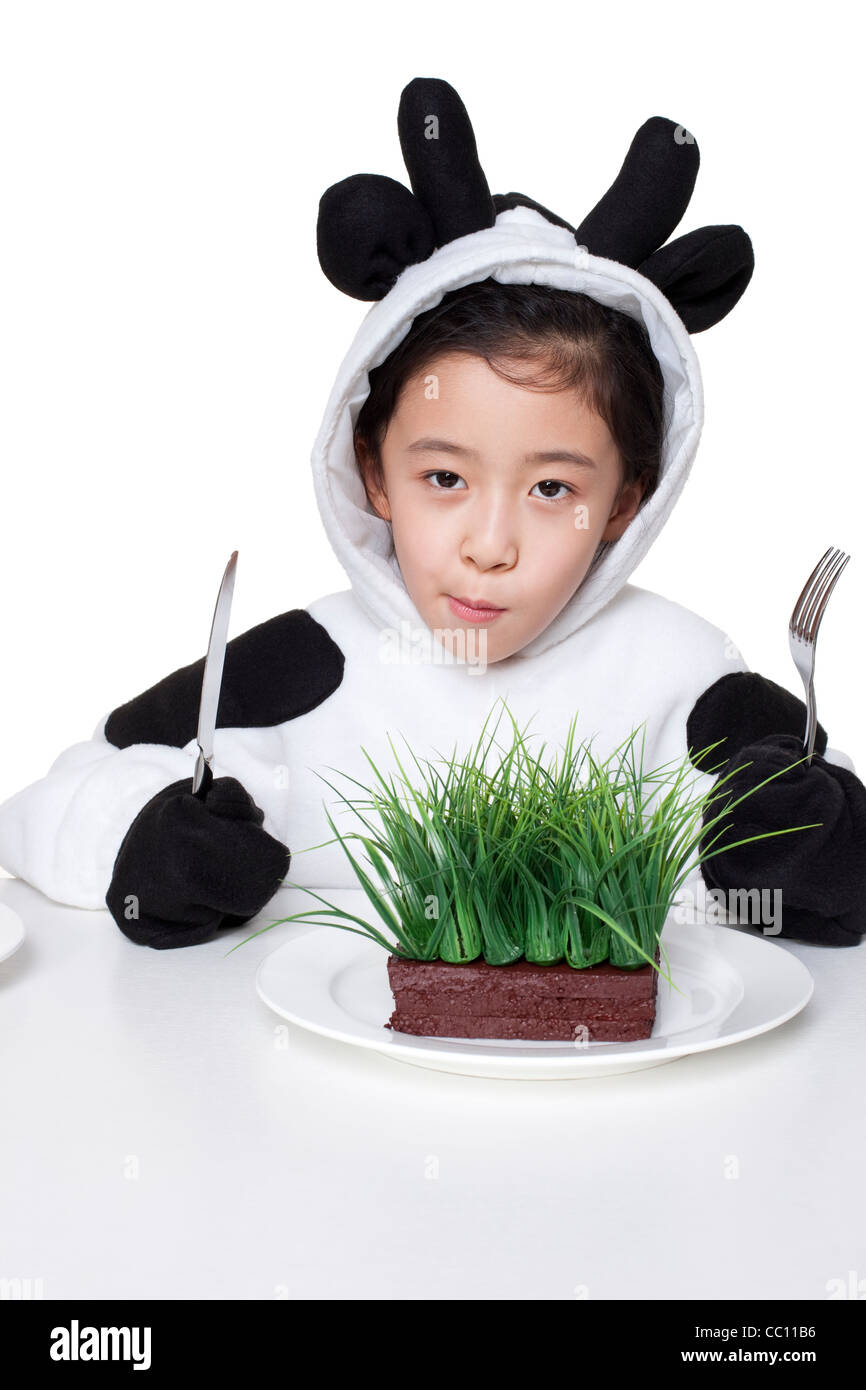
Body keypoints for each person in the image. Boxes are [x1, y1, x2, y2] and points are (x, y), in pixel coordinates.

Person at [0, 76, 863, 950]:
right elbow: (51, 805)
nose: (490, 547)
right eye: (445, 479)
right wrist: (145, 845)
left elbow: (830, 832)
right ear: (373, 472)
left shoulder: (685, 671)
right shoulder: (299, 662)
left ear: (623, 504)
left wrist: (807, 848)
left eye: (553, 490)